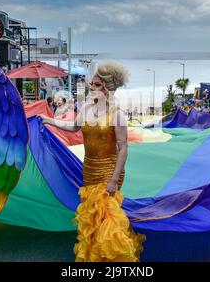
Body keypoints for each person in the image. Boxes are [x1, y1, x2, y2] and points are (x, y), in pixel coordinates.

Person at [37, 60, 144, 262]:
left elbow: (123, 149)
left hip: (110, 170)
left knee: (107, 214)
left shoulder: (117, 115)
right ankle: (97, 252)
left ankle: (115, 256)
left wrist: (113, 180)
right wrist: (49, 120)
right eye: (91, 85)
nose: (92, 88)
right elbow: (74, 128)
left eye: (96, 85)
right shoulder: (86, 108)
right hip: (90, 169)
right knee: (94, 213)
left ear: (108, 88)